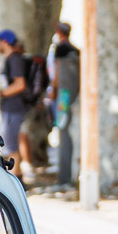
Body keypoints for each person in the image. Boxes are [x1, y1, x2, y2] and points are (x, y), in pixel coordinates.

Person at [0, 29, 33, 180]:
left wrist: (1, 94)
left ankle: (15, 180)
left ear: (5, 42)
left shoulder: (15, 59)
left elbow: (20, 84)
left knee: (10, 145)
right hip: (10, 107)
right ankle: (17, 177)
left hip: (14, 108)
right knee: (11, 143)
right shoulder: (11, 59)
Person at [50, 23, 81, 188]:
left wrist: (53, 90)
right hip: (73, 96)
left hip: (64, 97)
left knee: (63, 131)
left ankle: (64, 177)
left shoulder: (60, 50)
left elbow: (56, 72)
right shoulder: (76, 50)